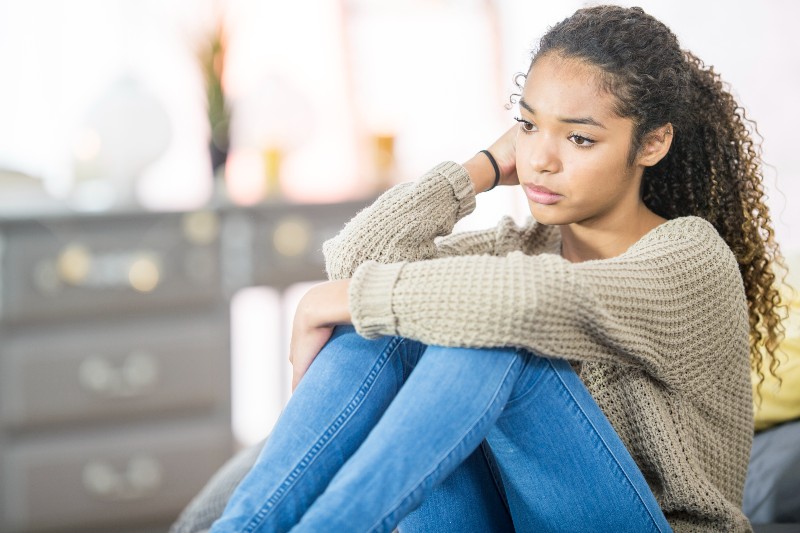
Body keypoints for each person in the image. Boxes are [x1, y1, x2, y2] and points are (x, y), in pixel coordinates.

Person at [209, 5, 786, 532]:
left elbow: (530, 301)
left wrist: (331, 300)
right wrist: (480, 168)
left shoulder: (689, 258)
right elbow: (355, 258)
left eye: (580, 139)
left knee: (490, 332)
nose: (541, 158)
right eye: (529, 126)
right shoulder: (522, 248)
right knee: (389, 323)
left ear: (652, 144)